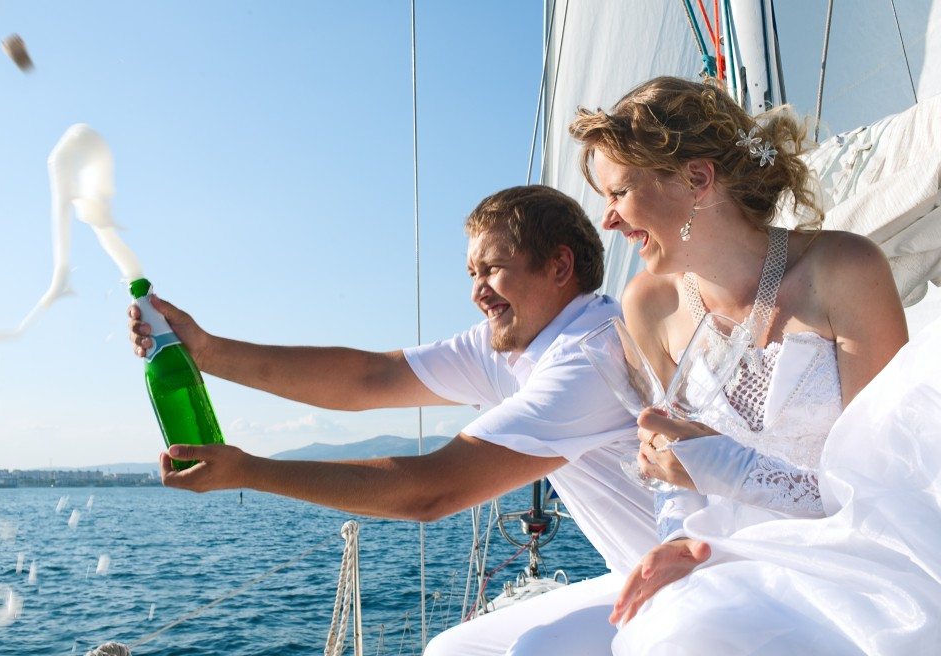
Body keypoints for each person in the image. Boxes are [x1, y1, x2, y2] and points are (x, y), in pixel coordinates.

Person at [129, 185, 660, 655]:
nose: (477, 292)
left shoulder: (587, 355)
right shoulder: (513, 345)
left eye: (492, 269)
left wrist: (250, 472)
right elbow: (370, 378)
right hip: (642, 573)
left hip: (700, 579)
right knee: (455, 648)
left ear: (560, 267)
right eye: (472, 273)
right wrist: (208, 352)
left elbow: (431, 490)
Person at [570, 76, 931, 654]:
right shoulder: (649, 302)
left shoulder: (844, 270)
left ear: (696, 179)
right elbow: (674, 477)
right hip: (722, 560)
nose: (607, 220)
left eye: (617, 192)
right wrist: (681, 538)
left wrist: (730, 469)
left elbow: (882, 487)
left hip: (852, 564)